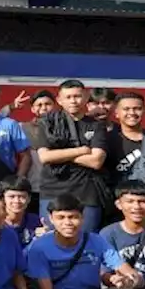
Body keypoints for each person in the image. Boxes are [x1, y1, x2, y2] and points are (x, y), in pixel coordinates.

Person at [35, 80, 109, 234]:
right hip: (52, 190)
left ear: (86, 96)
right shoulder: (47, 123)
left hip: (86, 193)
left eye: (77, 96)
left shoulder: (96, 125)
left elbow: (96, 161)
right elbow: (45, 157)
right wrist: (81, 150)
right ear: (59, 100)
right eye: (68, 97)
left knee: (87, 242)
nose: (73, 101)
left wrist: (60, 153)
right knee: (51, 240)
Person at [104, 92, 145, 222]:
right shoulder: (107, 140)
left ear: (144, 111)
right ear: (116, 113)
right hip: (118, 211)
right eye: (126, 109)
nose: (132, 112)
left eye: (137, 108)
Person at [0, 175, 44, 247]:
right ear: (3, 198)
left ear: (29, 199)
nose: (17, 201)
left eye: (22, 197)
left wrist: (46, 238)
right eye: (12, 196)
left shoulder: (35, 221)